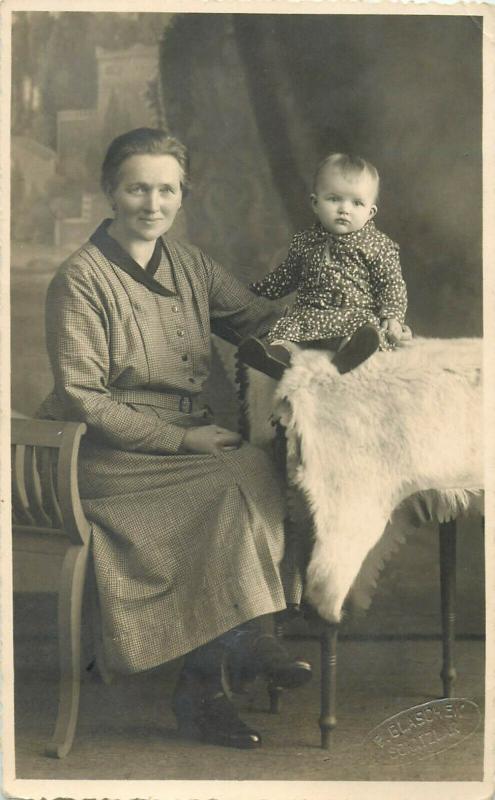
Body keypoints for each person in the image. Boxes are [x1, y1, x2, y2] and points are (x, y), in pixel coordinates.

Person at [37, 127, 312, 750]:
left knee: (253, 468)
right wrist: (180, 441)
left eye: (167, 189)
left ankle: (217, 673)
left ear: (182, 194)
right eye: (137, 188)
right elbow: (83, 395)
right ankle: (241, 651)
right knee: (227, 479)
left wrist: (344, 315)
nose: (152, 203)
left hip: (186, 441)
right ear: (111, 191)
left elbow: (257, 318)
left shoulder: (188, 264)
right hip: (104, 453)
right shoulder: (80, 279)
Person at [239, 153, 412, 378]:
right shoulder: (305, 241)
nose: (344, 209)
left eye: (356, 203)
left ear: (370, 212)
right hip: (309, 315)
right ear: (315, 203)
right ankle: (278, 356)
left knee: (366, 328)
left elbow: (391, 284)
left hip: (352, 314)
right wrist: (255, 292)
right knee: (285, 327)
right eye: (334, 199)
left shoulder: (378, 245)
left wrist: (393, 316)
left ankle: (350, 353)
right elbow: (285, 277)